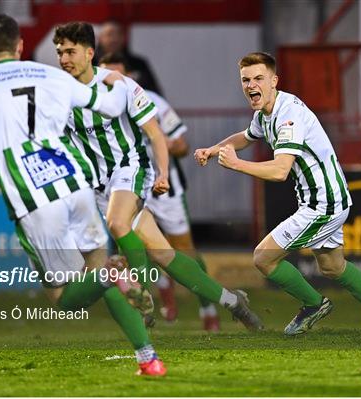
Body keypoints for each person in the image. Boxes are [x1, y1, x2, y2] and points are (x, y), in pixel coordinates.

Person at [0, 14, 167, 376]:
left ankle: (112, 277)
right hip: (75, 186)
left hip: (35, 201)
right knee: (97, 272)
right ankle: (149, 358)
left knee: (65, 299)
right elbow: (111, 106)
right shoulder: (48, 74)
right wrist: (114, 78)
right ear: (19, 46)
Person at [53, 22, 263, 332]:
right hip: (99, 186)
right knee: (164, 254)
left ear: (89, 52)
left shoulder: (121, 86)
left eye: (70, 51)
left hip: (131, 167)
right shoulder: (58, 96)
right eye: (59, 52)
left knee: (117, 224)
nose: (64, 58)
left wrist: (162, 173)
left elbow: (155, 133)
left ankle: (139, 292)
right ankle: (232, 301)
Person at [194, 52, 361, 336]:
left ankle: (313, 304)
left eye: (258, 78)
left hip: (323, 202)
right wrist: (214, 149)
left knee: (263, 258)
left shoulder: (288, 116)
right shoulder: (265, 113)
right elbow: (245, 137)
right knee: (332, 266)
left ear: (274, 81)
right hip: (325, 198)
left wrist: (236, 164)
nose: (250, 85)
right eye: (245, 80)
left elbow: (281, 170)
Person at [99, 52, 220, 331]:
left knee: (184, 250)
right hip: (127, 185)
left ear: (131, 77)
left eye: (119, 76)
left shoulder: (153, 102)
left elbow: (182, 145)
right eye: (107, 77)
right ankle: (158, 300)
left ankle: (207, 305)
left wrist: (161, 142)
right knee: (136, 244)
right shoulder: (97, 108)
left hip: (165, 188)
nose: (113, 83)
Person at [93, 20, 162, 95]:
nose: (114, 39)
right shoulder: (89, 63)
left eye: (118, 34)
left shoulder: (138, 64)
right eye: (109, 34)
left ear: (123, 38)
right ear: (99, 38)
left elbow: (153, 93)